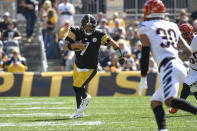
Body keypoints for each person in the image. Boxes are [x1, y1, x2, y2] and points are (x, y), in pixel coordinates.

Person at [138, 0, 197, 131]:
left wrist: (143, 78)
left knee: (169, 101)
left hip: (168, 66)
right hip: (179, 65)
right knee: (155, 102)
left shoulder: (145, 26)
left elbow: (145, 55)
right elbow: (188, 50)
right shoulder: (173, 26)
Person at [63, 14, 125, 118]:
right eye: (86, 26)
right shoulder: (75, 31)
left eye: (90, 26)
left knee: (77, 86)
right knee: (78, 88)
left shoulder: (99, 34)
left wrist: (120, 57)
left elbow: (114, 45)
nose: (88, 28)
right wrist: (76, 45)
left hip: (90, 67)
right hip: (78, 64)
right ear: (82, 26)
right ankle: (79, 112)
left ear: (94, 26)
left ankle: (86, 97)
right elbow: (65, 47)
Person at [169, 23, 197, 113]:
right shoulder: (180, 43)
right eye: (182, 35)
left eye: (185, 34)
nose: (184, 37)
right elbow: (182, 56)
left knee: (187, 84)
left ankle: (177, 106)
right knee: (194, 89)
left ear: (191, 33)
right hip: (193, 69)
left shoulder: (196, 40)